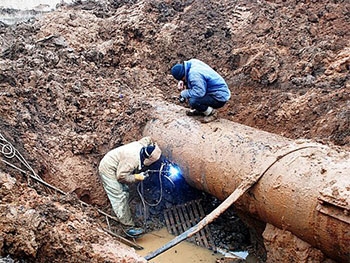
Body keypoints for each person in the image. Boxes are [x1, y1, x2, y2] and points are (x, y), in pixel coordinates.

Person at [98, 136, 162, 238]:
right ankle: (128, 228)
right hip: (108, 169)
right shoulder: (132, 161)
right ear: (147, 159)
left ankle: (123, 214)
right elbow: (121, 177)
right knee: (120, 196)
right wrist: (137, 177)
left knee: (126, 190)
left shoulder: (143, 145)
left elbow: (148, 138)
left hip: (119, 164)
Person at [171, 58, 231, 123]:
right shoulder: (191, 63)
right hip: (214, 89)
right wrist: (182, 81)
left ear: (183, 76)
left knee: (193, 101)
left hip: (219, 97)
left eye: (182, 79)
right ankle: (201, 110)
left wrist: (185, 93)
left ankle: (212, 113)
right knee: (191, 90)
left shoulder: (194, 75)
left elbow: (200, 92)